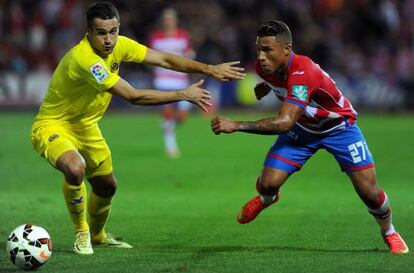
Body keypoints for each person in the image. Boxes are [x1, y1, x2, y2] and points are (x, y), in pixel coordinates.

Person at [31, 1, 245, 255]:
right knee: (75, 168)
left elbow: (164, 58)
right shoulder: (85, 59)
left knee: (107, 186)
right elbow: (132, 96)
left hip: (86, 127)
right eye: (101, 33)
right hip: (52, 125)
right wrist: (182, 93)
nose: (109, 39)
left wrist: (210, 69)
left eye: (113, 31)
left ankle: (98, 235)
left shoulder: (120, 44)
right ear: (88, 32)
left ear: (118, 28)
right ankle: (82, 234)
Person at [211, 20, 409, 254]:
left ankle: (389, 231)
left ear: (286, 50)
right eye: (259, 49)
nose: (261, 57)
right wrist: (266, 86)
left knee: (369, 192)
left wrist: (236, 124)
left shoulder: (304, 71)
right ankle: (267, 199)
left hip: (339, 129)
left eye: (267, 50)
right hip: (303, 129)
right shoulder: (264, 68)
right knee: (267, 185)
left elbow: (285, 123)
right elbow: (281, 85)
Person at [148, 8, 195, 158]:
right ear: (162, 20)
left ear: (175, 20)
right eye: (166, 18)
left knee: (182, 116)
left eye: (170, 18)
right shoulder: (155, 37)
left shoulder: (183, 36)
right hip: (162, 80)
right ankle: (171, 145)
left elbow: (189, 55)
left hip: (181, 80)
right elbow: (148, 57)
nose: (168, 21)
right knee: (168, 113)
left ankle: (167, 127)